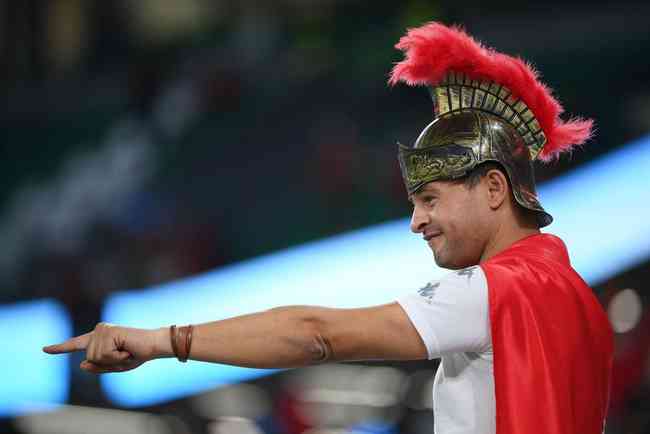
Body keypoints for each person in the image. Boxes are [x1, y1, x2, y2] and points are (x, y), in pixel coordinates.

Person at [44, 22, 613, 434]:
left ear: (494, 188)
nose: (417, 221)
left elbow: (316, 334)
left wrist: (159, 341)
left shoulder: (490, 292)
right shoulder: (578, 299)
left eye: (431, 199)